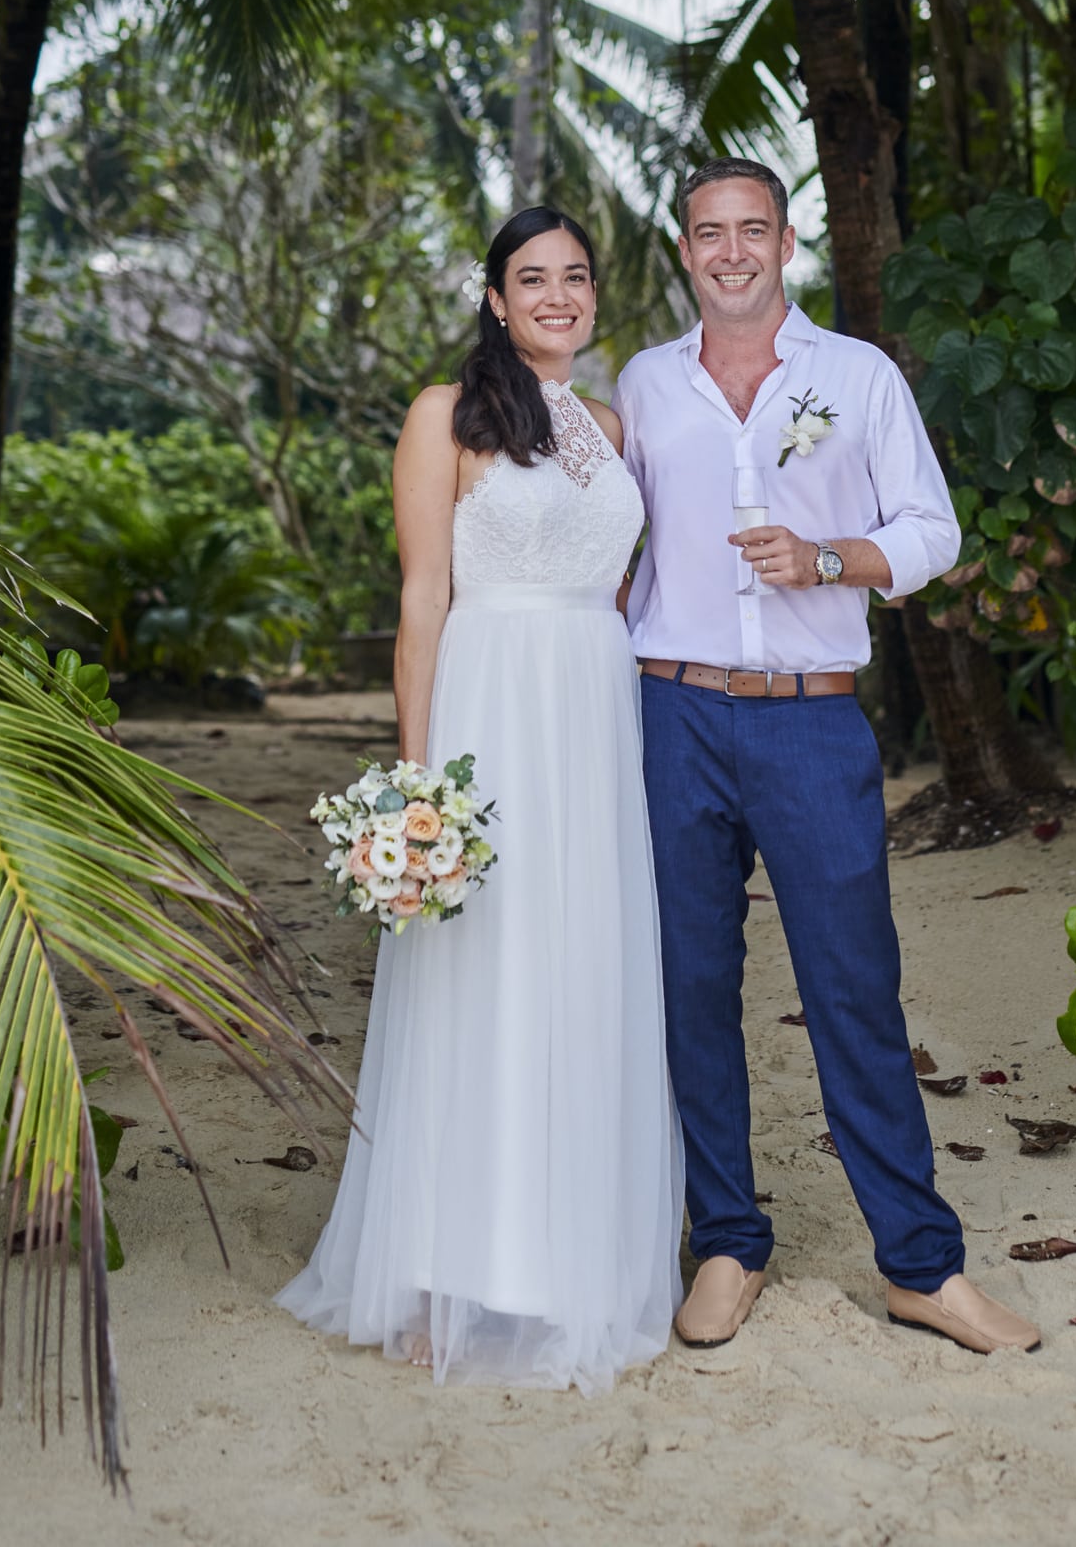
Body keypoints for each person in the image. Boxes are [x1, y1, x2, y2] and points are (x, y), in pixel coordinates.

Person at [614, 159, 1041, 1357]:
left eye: (754, 228)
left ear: (787, 240)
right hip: (672, 712)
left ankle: (919, 1265)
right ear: (685, 250)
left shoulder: (857, 375)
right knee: (691, 984)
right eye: (711, 232)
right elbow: (603, 537)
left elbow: (933, 529)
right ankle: (727, 1242)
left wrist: (830, 558)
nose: (733, 250)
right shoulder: (644, 386)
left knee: (852, 985)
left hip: (810, 717)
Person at [278, 207, 682, 1394]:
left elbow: (618, 588)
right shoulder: (442, 416)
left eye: (576, 276)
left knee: (581, 974)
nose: (557, 294)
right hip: (492, 715)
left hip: (594, 716)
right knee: (481, 977)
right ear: (496, 300)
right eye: (531, 278)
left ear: (594, 295)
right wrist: (420, 791)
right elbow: (421, 605)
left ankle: (569, 1265)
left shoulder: (608, 427)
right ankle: (445, 1273)